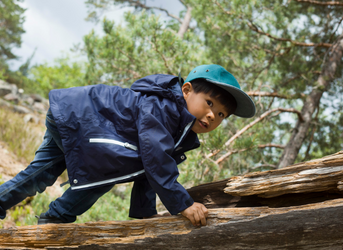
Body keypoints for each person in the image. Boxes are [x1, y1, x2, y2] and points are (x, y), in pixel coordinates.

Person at [0, 64, 255, 227]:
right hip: (78, 117)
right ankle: (56, 218)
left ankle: (48, 216)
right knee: (101, 172)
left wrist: (146, 216)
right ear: (186, 90)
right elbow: (155, 161)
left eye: (222, 115)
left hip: (72, 117)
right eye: (210, 103)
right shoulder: (163, 109)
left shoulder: (178, 127)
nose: (213, 116)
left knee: (40, 174)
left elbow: (142, 169)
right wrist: (183, 204)